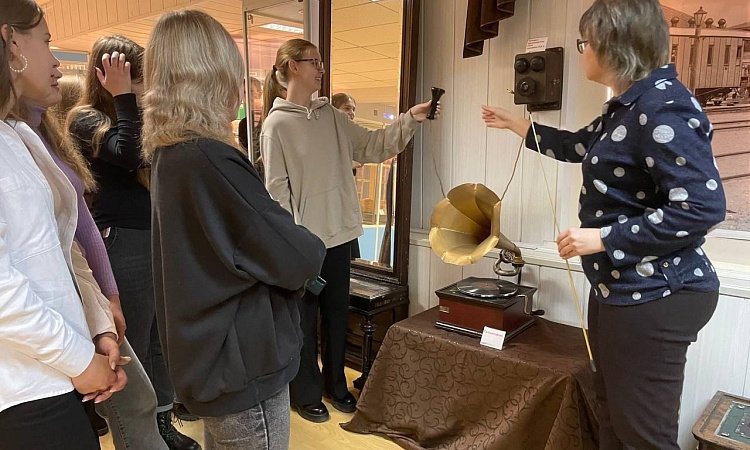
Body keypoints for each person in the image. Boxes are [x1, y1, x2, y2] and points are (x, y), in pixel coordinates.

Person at [482, 0, 725, 448]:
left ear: (615, 45)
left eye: (586, 43)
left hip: (656, 293)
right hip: (623, 288)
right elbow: (579, 146)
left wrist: (603, 237)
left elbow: (702, 208)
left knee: (642, 437)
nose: (583, 52)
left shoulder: (664, 106)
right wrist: (518, 125)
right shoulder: (630, 105)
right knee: (612, 418)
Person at [142, 10, 326, 450]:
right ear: (212, 75)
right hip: (242, 363)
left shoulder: (170, 155)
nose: (238, 87)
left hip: (211, 359)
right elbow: (299, 255)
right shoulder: (209, 157)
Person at [261, 38, 440, 423]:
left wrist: (411, 118)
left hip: (340, 236)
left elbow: (375, 145)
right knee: (304, 321)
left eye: (320, 62)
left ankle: (335, 385)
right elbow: (277, 191)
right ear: (292, 67)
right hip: (304, 244)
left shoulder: (332, 117)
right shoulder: (276, 125)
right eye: (314, 62)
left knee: (337, 315)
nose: (321, 69)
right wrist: (295, 241)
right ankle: (305, 392)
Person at [67, 35, 200, 450]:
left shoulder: (137, 115)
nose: (144, 86)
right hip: (122, 242)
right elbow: (130, 154)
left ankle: (161, 425)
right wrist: (124, 96)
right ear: (106, 75)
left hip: (154, 238)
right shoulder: (85, 119)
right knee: (133, 346)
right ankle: (136, 437)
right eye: (136, 77)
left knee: (160, 341)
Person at [0, 1, 123, 448]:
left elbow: (57, 250)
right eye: (46, 41)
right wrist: (79, 359)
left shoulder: (16, 135)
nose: (54, 59)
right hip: (23, 387)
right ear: (12, 41)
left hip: (49, 372)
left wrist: (95, 327)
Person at [19, 92, 169, 448]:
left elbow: (77, 229)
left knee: (136, 389)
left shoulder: (40, 128)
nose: (57, 66)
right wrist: (123, 95)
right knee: (127, 395)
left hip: (80, 284)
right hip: (45, 311)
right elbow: (131, 154)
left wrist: (107, 299)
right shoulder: (75, 122)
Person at [331, 92, 362, 261]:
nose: (351, 113)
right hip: (331, 209)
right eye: (347, 108)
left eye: (353, 109)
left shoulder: (348, 138)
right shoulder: (326, 137)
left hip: (345, 206)